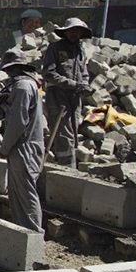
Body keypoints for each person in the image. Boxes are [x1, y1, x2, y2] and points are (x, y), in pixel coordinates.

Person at [0, 49, 46, 233]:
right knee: (17, 192)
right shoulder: (28, 84)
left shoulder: (23, 87)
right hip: (25, 145)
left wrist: (5, 147)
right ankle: (22, 234)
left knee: (25, 192)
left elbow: (18, 121)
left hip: (24, 146)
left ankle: (33, 235)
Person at [41, 18, 94, 168]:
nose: (74, 33)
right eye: (71, 30)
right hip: (58, 98)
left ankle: (70, 167)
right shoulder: (55, 48)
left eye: (78, 31)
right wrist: (72, 84)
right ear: (65, 32)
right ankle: (67, 171)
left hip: (75, 99)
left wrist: (84, 84)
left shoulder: (80, 51)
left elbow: (84, 72)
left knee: (73, 133)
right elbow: (49, 73)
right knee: (64, 135)